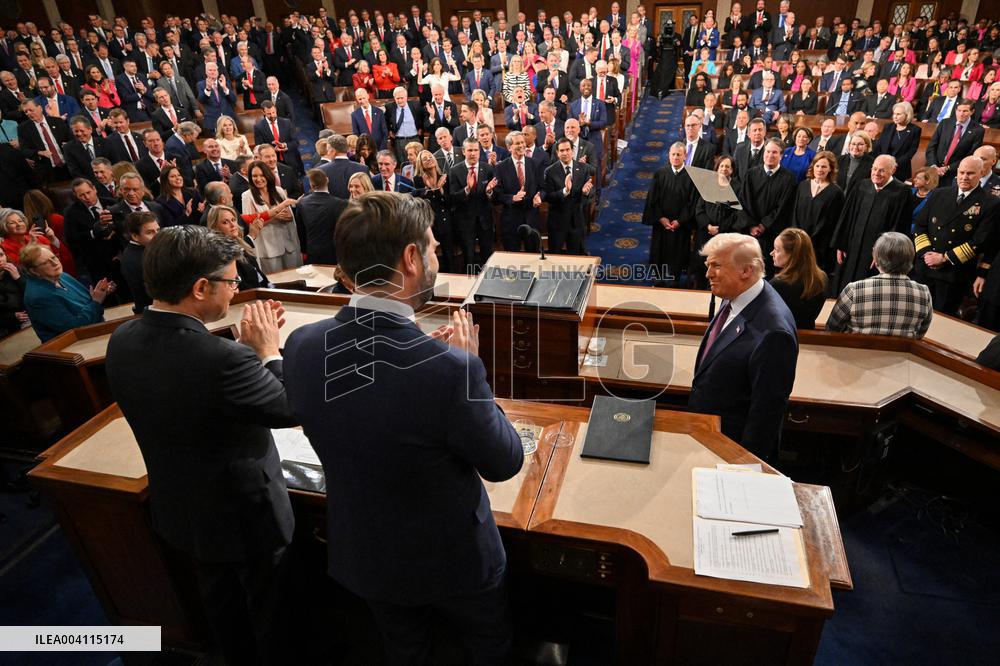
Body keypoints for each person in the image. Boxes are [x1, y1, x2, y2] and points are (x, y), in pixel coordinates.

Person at [282, 192, 522, 665]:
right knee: (487, 650)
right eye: (432, 247)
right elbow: (504, 461)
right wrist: (468, 370)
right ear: (411, 258)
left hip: (367, 555)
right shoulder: (451, 371)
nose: (437, 256)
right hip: (453, 562)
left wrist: (440, 362)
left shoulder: (302, 345)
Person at [106, 226, 296, 665]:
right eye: (232, 281)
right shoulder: (222, 359)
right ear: (200, 287)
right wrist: (268, 353)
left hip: (183, 510)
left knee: (223, 607)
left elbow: (190, 390)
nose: (235, 290)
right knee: (271, 613)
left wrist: (243, 354)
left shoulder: (122, 338)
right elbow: (287, 407)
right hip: (247, 517)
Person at [689, 233, 797, 460]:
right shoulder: (735, 294)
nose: (708, 274)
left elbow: (765, 414)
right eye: (708, 265)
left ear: (746, 271)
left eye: (717, 266)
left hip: (732, 449)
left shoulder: (774, 332)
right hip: (709, 436)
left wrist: (744, 465)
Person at [913, 156, 1000, 315]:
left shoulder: (990, 203)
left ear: (981, 173)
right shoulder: (939, 193)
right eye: (962, 172)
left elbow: (980, 241)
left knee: (941, 320)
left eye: (970, 173)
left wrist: (944, 258)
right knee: (915, 314)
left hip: (953, 273)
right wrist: (926, 253)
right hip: (925, 267)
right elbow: (920, 225)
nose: (964, 177)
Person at [831, 155, 914, 293]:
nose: (876, 173)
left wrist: (883, 253)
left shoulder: (902, 192)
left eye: (882, 170)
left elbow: (899, 228)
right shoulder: (862, 185)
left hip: (877, 254)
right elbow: (846, 216)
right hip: (851, 248)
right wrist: (841, 243)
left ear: (893, 170)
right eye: (874, 169)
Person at [826, 231, 933, 338]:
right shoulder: (924, 293)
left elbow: (832, 329)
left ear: (876, 258)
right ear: (910, 259)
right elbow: (920, 334)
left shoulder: (854, 290)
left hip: (858, 348)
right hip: (903, 349)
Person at [21, 243, 112, 342]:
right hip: (74, 344)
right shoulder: (39, 297)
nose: (55, 263)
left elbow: (89, 302)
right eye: (45, 263)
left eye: (54, 257)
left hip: (95, 330)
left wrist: (101, 293)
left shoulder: (63, 276)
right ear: (33, 271)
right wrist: (96, 301)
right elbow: (75, 328)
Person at [737, 139, 797, 272]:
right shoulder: (751, 174)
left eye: (774, 152)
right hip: (750, 233)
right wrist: (752, 225)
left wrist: (764, 225)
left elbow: (784, 207)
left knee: (767, 271)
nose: (770, 155)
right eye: (767, 151)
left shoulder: (788, 179)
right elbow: (744, 202)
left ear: (781, 155)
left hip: (772, 234)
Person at [642, 142, 695, 286]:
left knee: (678, 254)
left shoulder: (691, 176)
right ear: (669, 156)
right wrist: (661, 218)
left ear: (685, 156)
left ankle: (675, 279)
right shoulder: (660, 174)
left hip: (680, 225)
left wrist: (680, 221)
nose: (676, 157)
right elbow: (653, 199)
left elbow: (692, 202)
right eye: (673, 154)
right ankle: (658, 278)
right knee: (659, 252)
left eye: (679, 154)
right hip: (662, 224)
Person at [448, 137, 497, 274]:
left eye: (476, 150)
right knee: (468, 258)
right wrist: (467, 189)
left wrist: (489, 192)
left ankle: (487, 283)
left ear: (479, 152)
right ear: (463, 151)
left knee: (488, 257)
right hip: (465, 222)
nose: (473, 153)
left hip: (485, 221)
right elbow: (452, 197)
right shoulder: (454, 170)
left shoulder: (488, 168)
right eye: (470, 150)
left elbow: (495, 197)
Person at [242, 159, 300, 273]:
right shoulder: (247, 196)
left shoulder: (279, 191)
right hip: (268, 249)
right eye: (254, 176)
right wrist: (274, 218)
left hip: (288, 245)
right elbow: (251, 225)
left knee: (295, 279)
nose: (258, 179)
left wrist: (288, 216)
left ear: (268, 175)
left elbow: (290, 216)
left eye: (261, 175)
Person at [790, 151, 844, 274]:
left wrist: (811, 239)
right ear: (813, 166)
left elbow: (833, 221)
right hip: (798, 241)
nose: (820, 169)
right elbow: (794, 212)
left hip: (820, 245)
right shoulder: (802, 186)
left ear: (830, 169)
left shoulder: (836, 192)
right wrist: (798, 235)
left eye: (824, 166)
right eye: (817, 165)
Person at [543, 137, 596, 255]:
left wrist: (586, 192)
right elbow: (547, 196)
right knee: (555, 255)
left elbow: (591, 192)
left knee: (577, 255)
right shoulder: (550, 171)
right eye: (562, 150)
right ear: (557, 153)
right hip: (557, 222)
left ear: (572, 151)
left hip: (576, 220)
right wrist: (564, 191)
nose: (565, 153)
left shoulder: (583, 168)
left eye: (568, 150)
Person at [693, 157, 740, 289]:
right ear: (717, 168)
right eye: (721, 166)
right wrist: (708, 226)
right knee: (702, 264)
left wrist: (721, 229)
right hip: (706, 233)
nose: (724, 169)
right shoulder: (708, 185)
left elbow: (737, 213)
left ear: (732, 170)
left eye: (727, 166)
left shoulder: (737, 187)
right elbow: (699, 209)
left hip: (725, 235)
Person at [769, 228, 827, 328]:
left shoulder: (777, 284)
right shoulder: (822, 278)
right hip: (808, 334)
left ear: (792, 255)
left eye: (777, 250)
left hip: (783, 334)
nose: (771, 253)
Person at [206, 205, 271, 289]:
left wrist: (269, 287)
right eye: (225, 222)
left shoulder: (240, 243)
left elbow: (258, 274)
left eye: (233, 220)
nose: (232, 225)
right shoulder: (221, 254)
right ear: (215, 227)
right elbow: (239, 287)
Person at [412, 149, 455, 272]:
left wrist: (440, 190)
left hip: (445, 220)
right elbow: (420, 202)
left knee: (449, 254)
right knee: (430, 256)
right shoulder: (418, 179)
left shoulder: (444, 177)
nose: (428, 160)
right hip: (429, 222)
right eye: (424, 159)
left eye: (430, 157)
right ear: (420, 164)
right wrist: (430, 188)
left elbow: (450, 201)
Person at [295, 169, 348, 266]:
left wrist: (304, 250)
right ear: (327, 180)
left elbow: (300, 231)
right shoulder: (340, 204)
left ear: (311, 185)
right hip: (335, 253)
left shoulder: (301, 203)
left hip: (312, 252)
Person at [118, 211, 158, 314]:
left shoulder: (143, 250)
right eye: (150, 232)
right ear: (135, 236)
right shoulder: (138, 258)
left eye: (158, 230)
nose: (157, 235)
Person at [874, 102, 920, 182]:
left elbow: (911, 151)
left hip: (900, 169)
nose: (895, 116)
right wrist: (882, 162)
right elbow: (879, 146)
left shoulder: (915, 130)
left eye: (898, 114)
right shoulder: (888, 127)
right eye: (894, 114)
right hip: (882, 167)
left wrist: (894, 164)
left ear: (907, 115)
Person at [0, 247, 27, 336]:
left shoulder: (18, 270)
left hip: (30, 317)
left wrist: (18, 278)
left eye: (1, 255)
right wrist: (12, 316)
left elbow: (34, 294)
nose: (0, 260)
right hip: (7, 329)